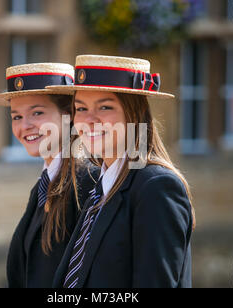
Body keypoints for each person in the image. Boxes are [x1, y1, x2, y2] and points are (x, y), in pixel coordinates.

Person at [47, 55, 196, 288]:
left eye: (105, 107)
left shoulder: (156, 187)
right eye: (81, 108)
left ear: (133, 114)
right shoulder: (101, 186)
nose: (89, 120)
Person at [0, 63, 99, 288]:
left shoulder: (89, 182)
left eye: (37, 113)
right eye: (16, 117)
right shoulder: (43, 186)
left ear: (69, 116)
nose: (24, 126)